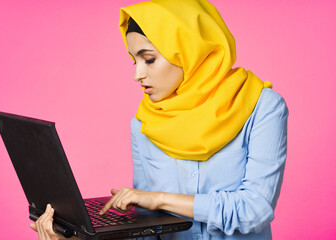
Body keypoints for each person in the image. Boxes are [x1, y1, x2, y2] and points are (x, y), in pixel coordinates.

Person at [31, 0, 288, 239]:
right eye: (134, 61)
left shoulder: (261, 106)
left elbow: (254, 209)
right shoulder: (144, 123)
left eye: (149, 59)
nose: (137, 75)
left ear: (188, 50)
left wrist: (158, 199)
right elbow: (148, 228)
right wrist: (77, 236)